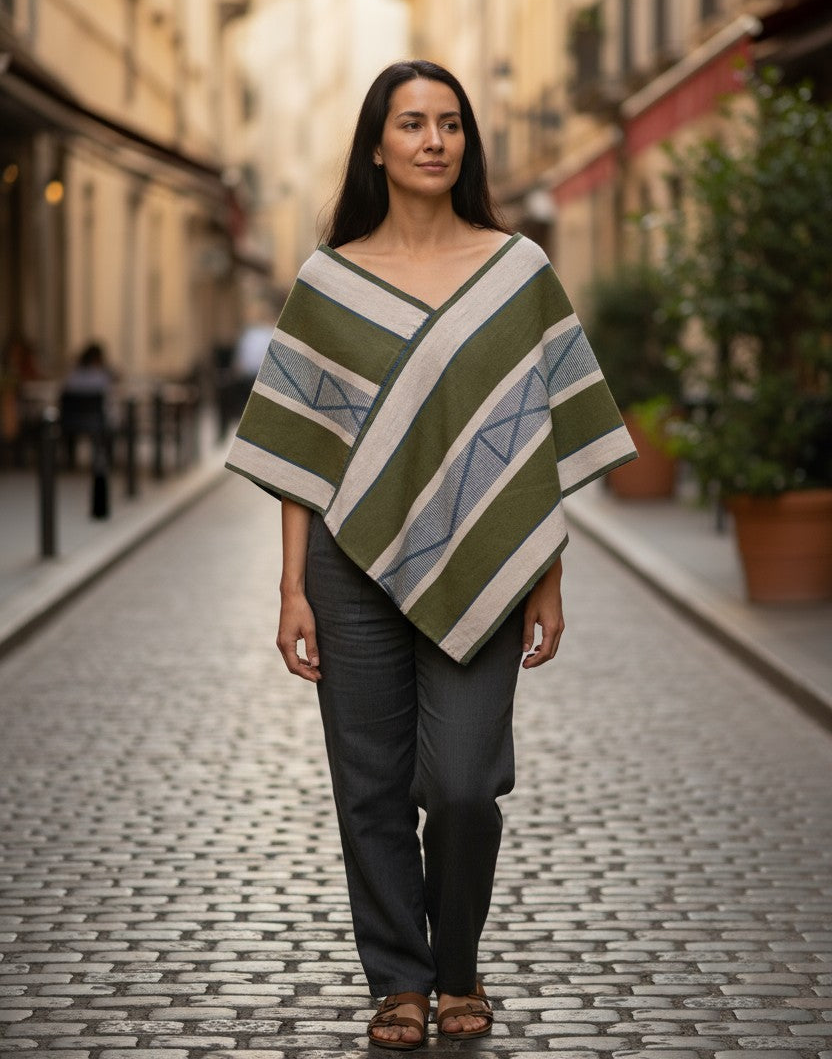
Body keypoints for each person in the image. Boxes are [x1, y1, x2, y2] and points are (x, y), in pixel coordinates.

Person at [226, 60, 636, 1049]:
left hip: (479, 560)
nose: (433, 141)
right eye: (411, 124)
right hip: (343, 565)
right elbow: (301, 449)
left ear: (466, 144)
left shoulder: (515, 270)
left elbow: (538, 434)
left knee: (460, 782)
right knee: (366, 783)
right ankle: (399, 982)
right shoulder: (329, 280)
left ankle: (459, 964)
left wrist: (546, 572)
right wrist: (291, 587)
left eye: (449, 124)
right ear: (376, 144)